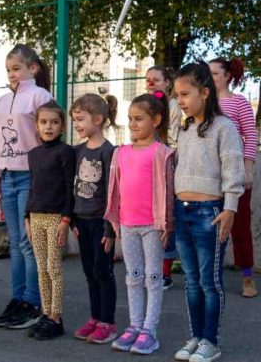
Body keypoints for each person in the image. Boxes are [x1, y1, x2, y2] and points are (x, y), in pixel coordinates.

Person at [172, 62, 244, 362]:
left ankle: (211, 341)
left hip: (210, 213)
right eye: (177, 95)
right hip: (182, 211)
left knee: (209, 281)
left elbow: (233, 168)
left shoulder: (223, 127)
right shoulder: (183, 127)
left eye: (185, 94)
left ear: (205, 92)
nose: (180, 100)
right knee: (190, 280)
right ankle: (197, 337)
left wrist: (230, 208)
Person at [104, 91, 175, 356]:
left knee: (153, 278)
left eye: (139, 119)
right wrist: (115, 221)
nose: (133, 124)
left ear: (156, 120)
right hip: (127, 224)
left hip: (153, 226)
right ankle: (134, 326)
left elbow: (168, 191)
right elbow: (116, 190)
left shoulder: (162, 153)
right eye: (130, 119)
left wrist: (168, 224)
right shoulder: (120, 153)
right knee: (133, 278)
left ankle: (149, 330)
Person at [0, 44, 53, 330]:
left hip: (30, 177)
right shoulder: (2, 101)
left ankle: (32, 301)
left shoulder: (40, 96)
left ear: (33, 68)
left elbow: (48, 137)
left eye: (17, 68)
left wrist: (44, 177)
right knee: (16, 244)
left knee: (30, 244)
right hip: (7, 178)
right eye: (8, 69)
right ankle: (18, 299)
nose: (12, 74)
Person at [69, 94, 120, 344]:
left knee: (103, 271)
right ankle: (94, 317)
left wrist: (110, 229)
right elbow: (72, 186)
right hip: (82, 222)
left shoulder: (109, 152)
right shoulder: (77, 151)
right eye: (74, 120)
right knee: (90, 272)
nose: (76, 124)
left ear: (98, 119)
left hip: (101, 223)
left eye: (80, 119)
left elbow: (113, 192)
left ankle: (107, 322)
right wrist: (74, 222)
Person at [25, 101, 76, 340]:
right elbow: (33, 186)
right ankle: (46, 314)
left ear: (62, 126)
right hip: (36, 217)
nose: (48, 127)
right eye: (44, 122)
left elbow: (69, 189)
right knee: (41, 269)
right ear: (36, 125)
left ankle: (56, 317)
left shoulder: (66, 152)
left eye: (54, 122)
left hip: (56, 217)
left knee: (53, 268)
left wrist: (66, 219)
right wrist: (27, 216)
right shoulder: (34, 154)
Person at [209, 57, 259, 298]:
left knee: (240, 227)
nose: (211, 78)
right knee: (210, 226)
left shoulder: (239, 102)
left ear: (227, 76)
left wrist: (247, 169)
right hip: (210, 175)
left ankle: (247, 277)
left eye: (215, 73)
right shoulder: (203, 102)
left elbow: (250, 135)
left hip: (236, 171)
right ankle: (211, 278)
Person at [145, 66, 182, 290]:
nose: (151, 83)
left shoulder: (173, 106)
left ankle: (165, 273)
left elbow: (173, 137)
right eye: (148, 79)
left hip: (166, 163)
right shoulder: (143, 105)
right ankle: (150, 268)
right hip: (147, 164)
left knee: (166, 216)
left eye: (156, 80)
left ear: (167, 83)